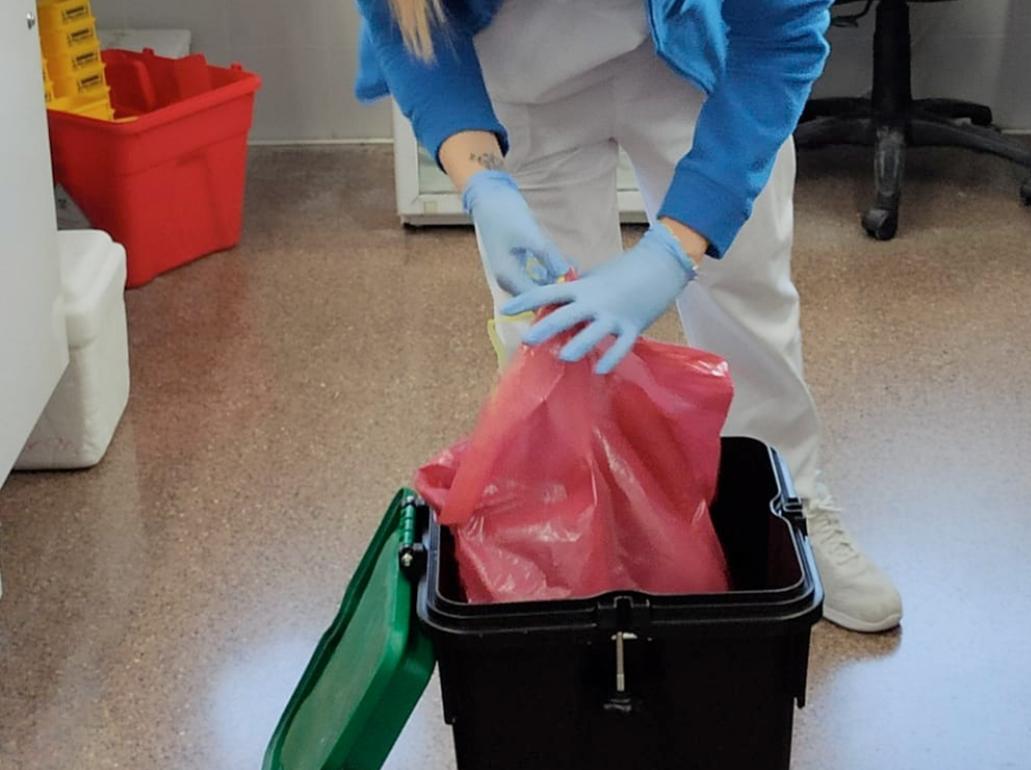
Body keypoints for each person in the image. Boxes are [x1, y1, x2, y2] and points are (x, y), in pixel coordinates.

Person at [356, 0, 903, 632]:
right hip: (520, 75)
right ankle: (584, 546)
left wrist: (673, 250)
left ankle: (790, 506)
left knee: (745, 289)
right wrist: (482, 182)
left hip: (689, 56)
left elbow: (781, 36)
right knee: (554, 337)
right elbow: (408, 22)